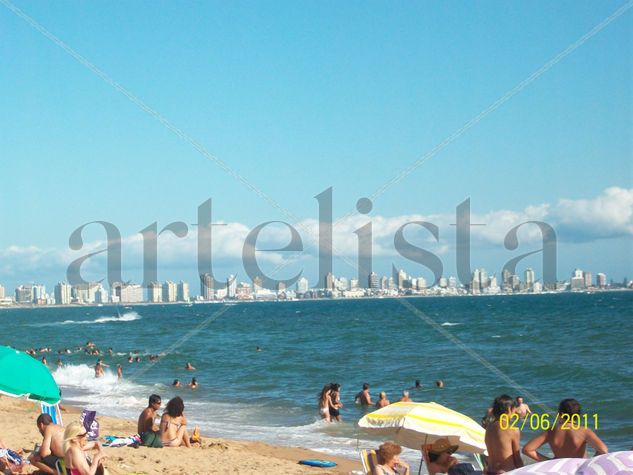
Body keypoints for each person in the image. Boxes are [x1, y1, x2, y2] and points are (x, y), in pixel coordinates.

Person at [523, 398, 607, 461]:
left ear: (560, 414)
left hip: (560, 470)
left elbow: (527, 449)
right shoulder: (584, 431)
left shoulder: (551, 431)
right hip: (577, 469)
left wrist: (549, 461)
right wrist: (587, 463)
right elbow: (603, 450)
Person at [485, 394, 523, 473]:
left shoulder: (489, 428)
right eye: (514, 409)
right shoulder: (512, 430)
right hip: (505, 472)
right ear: (508, 409)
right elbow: (517, 459)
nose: (515, 412)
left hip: (489, 471)